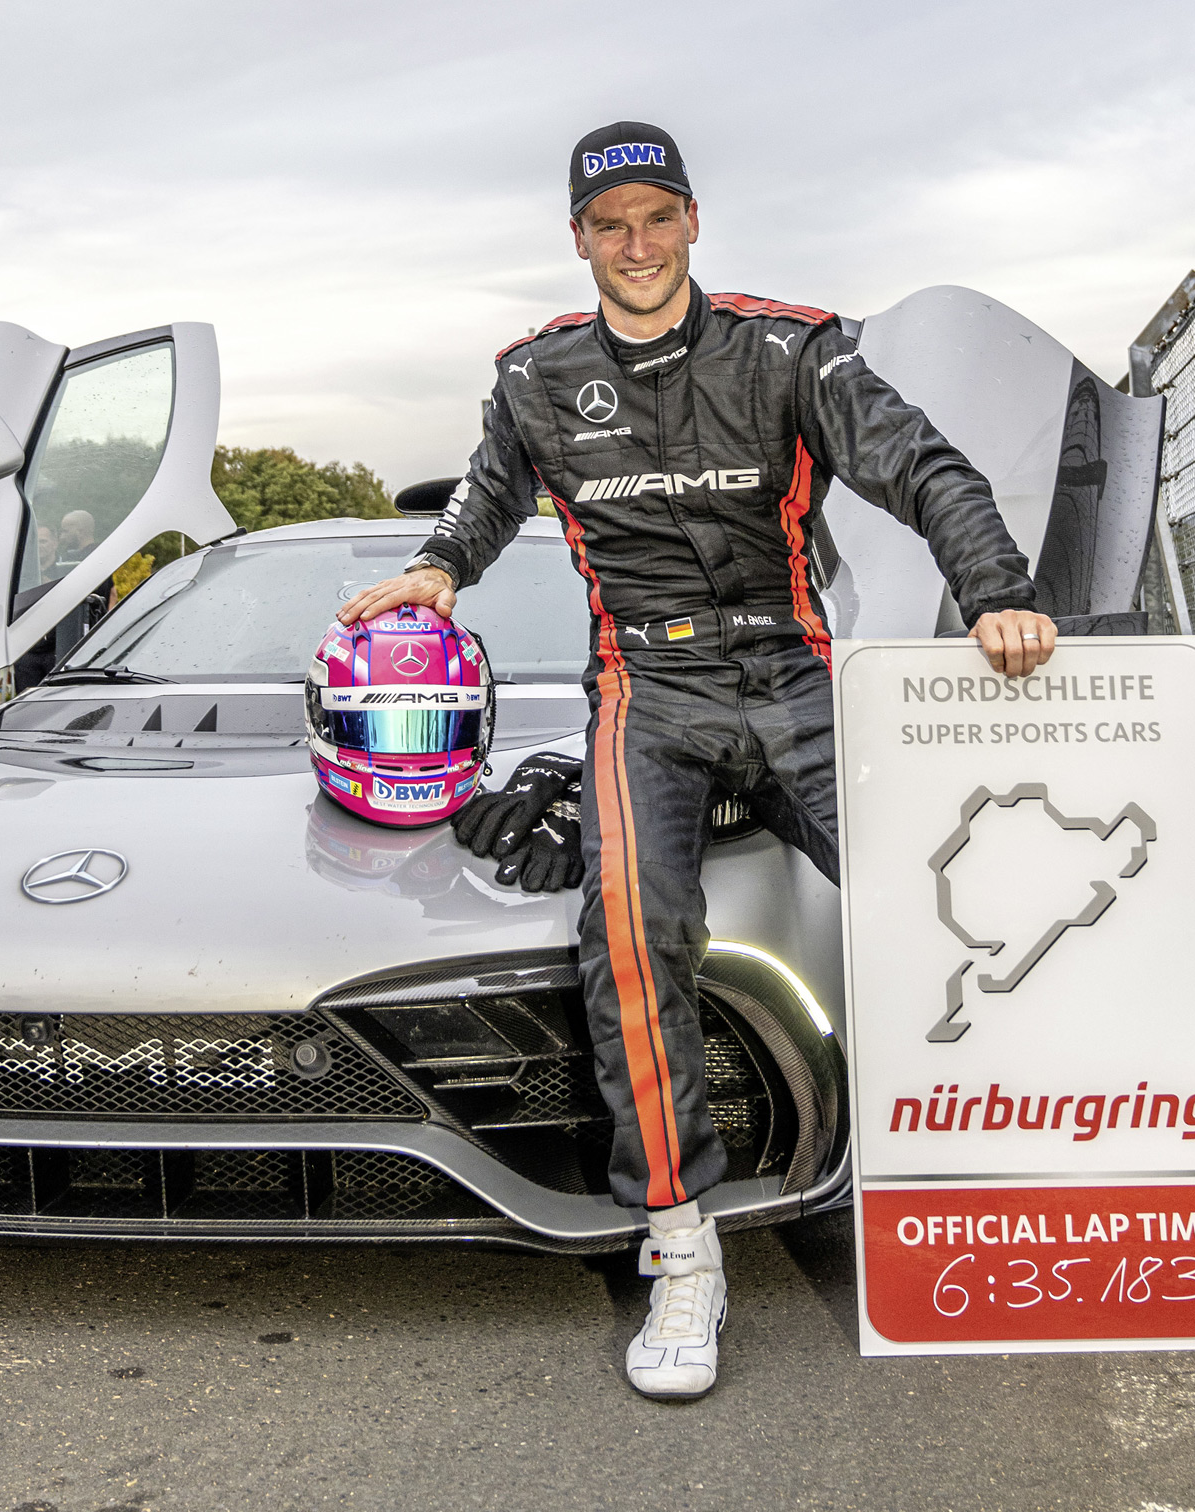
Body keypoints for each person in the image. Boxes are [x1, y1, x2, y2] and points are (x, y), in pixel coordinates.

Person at [338, 120, 1057, 1400]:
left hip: (791, 669)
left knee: (960, 904)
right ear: (579, 240)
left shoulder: (791, 347)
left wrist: (996, 590)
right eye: (608, 225)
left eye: (656, 217)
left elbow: (926, 467)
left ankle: (1028, 1172)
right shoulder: (534, 377)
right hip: (646, 687)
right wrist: (439, 571)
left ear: (691, 223)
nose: (635, 243)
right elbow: (483, 501)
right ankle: (683, 1251)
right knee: (629, 931)